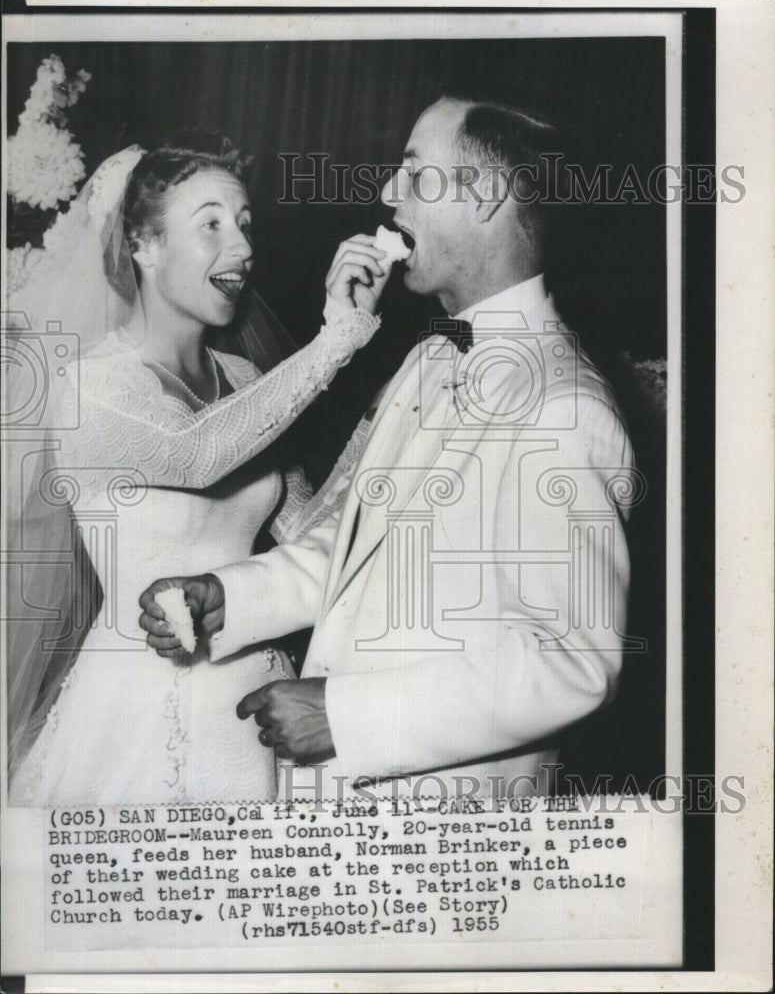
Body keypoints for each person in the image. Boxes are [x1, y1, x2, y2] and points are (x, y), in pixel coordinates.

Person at [140, 99, 639, 801]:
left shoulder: (566, 405)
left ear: (486, 197)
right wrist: (232, 597)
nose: (386, 196)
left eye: (413, 173)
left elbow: (574, 661)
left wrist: (345, 715)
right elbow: (352, 540)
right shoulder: (428, 355)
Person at [6, 131, 385, 806]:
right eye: (209, 225)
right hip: (138, 709)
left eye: (243, 225)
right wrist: (339, 339)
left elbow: (309, 527)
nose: (241, 249)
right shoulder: (92, 386)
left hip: (255, 699)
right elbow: (197, 454)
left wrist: (387, 427)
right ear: (143, 248)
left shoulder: (245, 379)